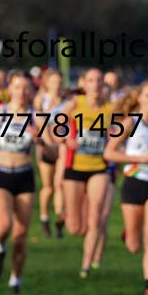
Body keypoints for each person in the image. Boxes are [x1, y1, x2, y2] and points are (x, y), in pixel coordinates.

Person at [104, 82, 148, 295]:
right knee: (134, 245)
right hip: (133, 182)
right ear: (140, 99)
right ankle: (128, 234)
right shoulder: (130, 123)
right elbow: (109, 154)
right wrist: (137, 159)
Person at [0, 71, 43, 293]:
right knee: (3, 225)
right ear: (9, 89)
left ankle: (15, 279)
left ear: (31, 91)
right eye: (17, 87)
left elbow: (52, 150)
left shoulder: (36, 117)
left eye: (25, 88)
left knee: (21, 235)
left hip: (24, 175)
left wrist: (38, 140)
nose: (21, 92)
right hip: (1, 173)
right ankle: (0, 248)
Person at [57, 68, 112, 278]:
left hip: (99, 168)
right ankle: (73, 224)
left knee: (95, 215)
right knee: (74, 227)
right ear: (84, 84)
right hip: (75, 168)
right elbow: (56, 126)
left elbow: (123, 131)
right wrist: (65, 139)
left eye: (99, 80)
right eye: (91, 80)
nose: (95, 84)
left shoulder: (110, 108)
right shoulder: (75, 104)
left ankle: (86, 265)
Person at [33, 69, 65, 237]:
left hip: (61, 147)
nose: (56, 85)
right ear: (47, 83)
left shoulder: (66, 101)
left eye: (59, 82)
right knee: (48, 187)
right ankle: (44, 218)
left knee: (60, 184)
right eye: (53, 82)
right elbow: (36, 120)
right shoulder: (41, 99)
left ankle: (60, 220)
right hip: (45, 146)